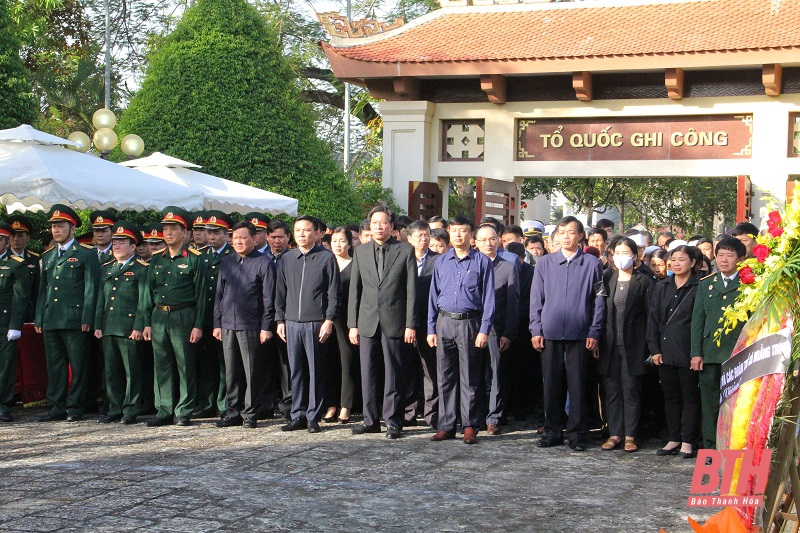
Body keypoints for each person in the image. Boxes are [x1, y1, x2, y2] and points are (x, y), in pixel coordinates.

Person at [530, 216, 605, 452]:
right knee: (551, 385)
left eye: (571, 232)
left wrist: (594, 330)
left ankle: (577, 434)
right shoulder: (545, 263)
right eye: (561, 232)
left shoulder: (593, 264)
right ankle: (552, 431)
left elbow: (599, 300)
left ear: (580, 235)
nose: (566, 236)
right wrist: (535, 329)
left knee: (578, 386)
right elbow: (536, 300)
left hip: (580, 334)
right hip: (550, 333)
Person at [349, 206, 417, 440]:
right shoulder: (361, 252)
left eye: (383, 222)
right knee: (368, 372)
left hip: (395, 320)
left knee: (393, 373)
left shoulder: (406, 251)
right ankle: (370, 420)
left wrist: (410, 324)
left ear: (392, 226)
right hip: (367, 321)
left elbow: (411, 291)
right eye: (375, 223)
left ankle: (393, 421)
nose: (379, 226)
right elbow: (354, 291)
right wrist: (353, 324)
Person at [428, 215, 495, 445]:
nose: (458, 234)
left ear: (471, 234)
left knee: (470, 378)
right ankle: (446, 425)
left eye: (463, 230)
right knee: (445, 377)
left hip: (470, 323)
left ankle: (469, 426)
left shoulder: (482, 262)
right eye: (454, 230)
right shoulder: (442, 261)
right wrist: (431, 328)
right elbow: (432, 297)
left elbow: (489, 300)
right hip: (444, 322)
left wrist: (484, 329)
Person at [141, 207, 208, 427]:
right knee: (161, 364)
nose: (168, 233)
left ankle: (183, 409)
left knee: (184, 364)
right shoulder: (157, 259)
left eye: (174, 228)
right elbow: (148, 294)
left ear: (185, 232)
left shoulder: (194, 259)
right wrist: (147, 323)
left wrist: (198, 325)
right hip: (160, 315)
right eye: (165, 229)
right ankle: (164, 408)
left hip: (184, 314)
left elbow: (201, 295)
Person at [35, 204, 101, 422]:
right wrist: (39, 316)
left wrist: (87, 317)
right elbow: (43, 289)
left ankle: (75, 407)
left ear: (72, 228)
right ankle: (57, 406)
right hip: (52, 317)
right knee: (55, 366)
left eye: (61, 225)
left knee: (79, 365)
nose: (56, 230)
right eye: (54, 226)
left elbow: (92, 288)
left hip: (75, 319)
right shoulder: (48, 256)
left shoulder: (85, 253)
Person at [275, 215, 340, 434]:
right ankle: (298, 414)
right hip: (291, 322)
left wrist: (328, 320)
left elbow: (333, 293)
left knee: (315, 370)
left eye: (306, 230)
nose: (302, 234)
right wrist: (280, 319)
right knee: (296, 371)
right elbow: (280, 292)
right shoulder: (287, 259)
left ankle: (313, 415)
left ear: (316, 233)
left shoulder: (326, 258)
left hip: (316, 323)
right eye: (298, 230)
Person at [213, 221, 275, 429]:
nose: (238, 241)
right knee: (232, 371)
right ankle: (233, 411)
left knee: (252, 371)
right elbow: (219, 295)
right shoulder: (227, 261)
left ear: (254, 239)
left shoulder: (263, 262)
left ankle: (250, 412)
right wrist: (217, 323)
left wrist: (266, 326)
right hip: (228, 323)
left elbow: (269, 298)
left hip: (251, 324)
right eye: (235, 238)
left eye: (243, 237)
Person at [691, 236, 747, 452]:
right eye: (720, 255)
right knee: (710, 404)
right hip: (710, 354)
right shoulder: (706, 284)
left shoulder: (749, 283)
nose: (724, 260)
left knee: (736, 404)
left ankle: (733, 447)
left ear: (741, 259)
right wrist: (696, 353)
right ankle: (711, 448)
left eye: (730, 255)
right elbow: (697, 322)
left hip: (737, 354)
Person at [597, 237, 652, 453]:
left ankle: (630, 435)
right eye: (616, 253)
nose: (621, 257)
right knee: (611, 391)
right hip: (609, 345)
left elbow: (650, 316)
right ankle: (615, 433)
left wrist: (648, 346)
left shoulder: (644, 281)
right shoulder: (607, 278)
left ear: (635, 256)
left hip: (633, 345)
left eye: (625, 252)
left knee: (630, 391)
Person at [647, 245, 701, 458]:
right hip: (664, 350)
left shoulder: (699, 287)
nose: (677, 264)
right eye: (674, 260)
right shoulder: (662, 286)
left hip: (688, 351)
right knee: (670, 397)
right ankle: (673, 438)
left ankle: (688, 441)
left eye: (682, 259)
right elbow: (653, 320)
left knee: (689, 398)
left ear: (693, 263)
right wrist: (654, 349)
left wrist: (697, 352)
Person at [93, 221, 148, 425]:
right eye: (115, 242)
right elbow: (101, 299)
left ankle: (131, 408)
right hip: (109, 326)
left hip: (129, 327)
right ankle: (114, 407)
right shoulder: (107, 268)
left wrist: (138, 327)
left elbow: (143, 302)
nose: (116, 246)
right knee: (111, 370)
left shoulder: (141, 269)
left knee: (131, 371)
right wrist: (98, 324)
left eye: (122, 242)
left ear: (133, 247)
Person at [474, 224, 518, 435]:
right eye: (483, 240)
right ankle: (477, 415)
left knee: (496, 375)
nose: (488, 243)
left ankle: (494, 417)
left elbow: (513, 304)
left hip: (496, 330)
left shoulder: (508, 267)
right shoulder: (469, 265)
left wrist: (508, 333)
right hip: (472, 329)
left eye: (492, 239)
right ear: (475, 242)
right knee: (474, 374)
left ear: (498, 240)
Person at [194, 211, 234, 419]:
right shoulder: (200, 256)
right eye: (208, 232)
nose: (211, 236)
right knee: (205, 362)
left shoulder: (232, 256)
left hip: (224, 317)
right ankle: (206, 402)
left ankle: (223, 402)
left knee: (224, 363)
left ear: (226, 234)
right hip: (205, 317)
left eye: (216, 232)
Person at [403, 220, 440, 428]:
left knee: (430, 370)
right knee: (407, 369)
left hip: (429, 322)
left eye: (426, 235)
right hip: (406, 323)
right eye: (419, 236)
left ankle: (431, 413)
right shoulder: (401, 259)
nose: (424, 239)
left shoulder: (438, 261)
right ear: (409, 239)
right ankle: (409, 412)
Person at [323, 226, 357, 424]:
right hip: (327, 320)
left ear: (349, 243)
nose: (338, 245)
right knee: (329, 362)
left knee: (347, 363)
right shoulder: (326, 263)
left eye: (342, 241)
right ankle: (331, 404)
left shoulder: (355, 265)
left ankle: (346, 405)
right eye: (334, 241)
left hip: (347, 319)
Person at [0, 221, 32, 422]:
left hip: (4, 322)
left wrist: (15, 326)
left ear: (5, 241)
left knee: (4, 365)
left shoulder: (15, 265)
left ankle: (3, 404)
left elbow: (20, 297)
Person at [264, 218, 293, 418]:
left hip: (286, 317)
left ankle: (288, 403)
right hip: (264, 319)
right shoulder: (261, 258)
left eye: (281, 237)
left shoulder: (293, 258)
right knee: (265, 363)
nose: (277, 241)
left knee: (286, 364)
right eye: (273, 237)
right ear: (266, 238)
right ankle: (266, 403)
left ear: (288, 238)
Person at [7, 214, 40, 322]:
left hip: (28, 313)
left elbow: (37, 290)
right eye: (13, 235)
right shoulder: (3, 258)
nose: (16, 239)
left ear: (28, 237)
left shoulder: (35, 259)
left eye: (20, 235)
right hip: (6, 312)